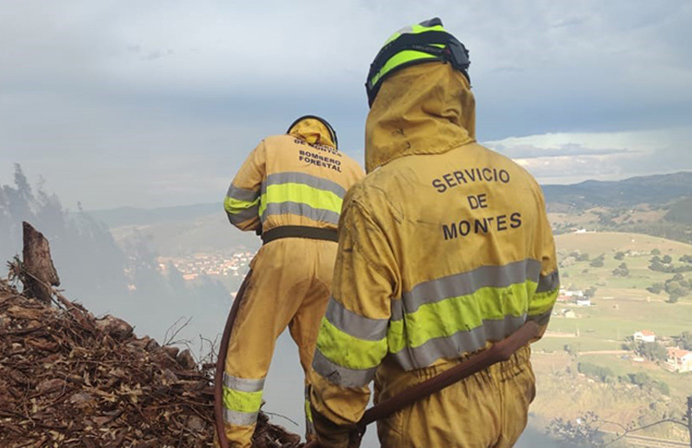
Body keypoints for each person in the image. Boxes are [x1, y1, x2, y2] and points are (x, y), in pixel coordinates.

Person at [308, 18, 559, 447]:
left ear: (388, 100)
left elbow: (353, 342)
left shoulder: (378, 198)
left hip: (429, 418)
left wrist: (333, 425)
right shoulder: (520, 181)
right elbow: (542, 302)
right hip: (511, 400)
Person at [220, 116, 364, 447]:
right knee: (321, 361)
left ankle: (234, 441)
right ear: (331, 140)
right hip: (333, 262)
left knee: (249, 352)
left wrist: (268, 225)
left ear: (296, 132)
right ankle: (322, 440)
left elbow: (236, 205)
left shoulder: (273, 146)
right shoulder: (352, 167)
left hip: (282, 253)